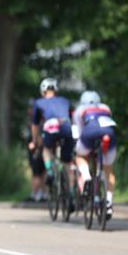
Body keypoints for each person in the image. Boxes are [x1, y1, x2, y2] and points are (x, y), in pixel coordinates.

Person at [30, 78, 75, 209]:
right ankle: (71, 194)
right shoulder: (66, 101)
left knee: (46, 149)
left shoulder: (38, 103)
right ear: (56, 90)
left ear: (43, 91)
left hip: (51, 127)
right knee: (67, 163)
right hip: (66, 126)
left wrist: (35, 141)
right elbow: (72, 118)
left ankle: (50, 171)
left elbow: (35, 125)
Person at [73, 90, 118, 221]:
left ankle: (86, 177)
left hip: (89, 133)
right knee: (108, 170)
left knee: (80, 156)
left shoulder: (80, 110)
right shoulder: (105, 108)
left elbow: (80, 131)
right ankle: (109, 203)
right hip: (108, 134)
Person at [22, 99, 47, 202]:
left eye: (31, 108)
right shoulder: (30, 120)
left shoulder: (39, 121)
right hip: (35, 149)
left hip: (38, 149)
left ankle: (38, 193)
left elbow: (40, 136)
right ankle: (39, 192)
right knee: (38, 171)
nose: (30, 110)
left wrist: (37, 146)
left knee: (39, 172)